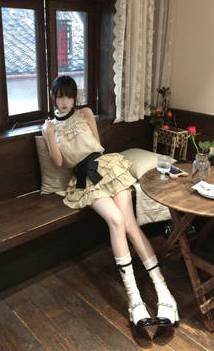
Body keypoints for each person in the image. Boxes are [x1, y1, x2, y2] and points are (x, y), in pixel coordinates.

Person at [42, 75, 178, 328]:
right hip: (84, 179)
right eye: (60, 96)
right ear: (53, 97)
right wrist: (50, 134)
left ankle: (164, 291)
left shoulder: (85, 114)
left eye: (69, 96)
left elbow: (98, 146)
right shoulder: (48, 127)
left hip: (107, 168)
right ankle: (134, 299)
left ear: (75, 96)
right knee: (115, 220)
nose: (65, 101)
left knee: (130, 225)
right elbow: (60, 163)